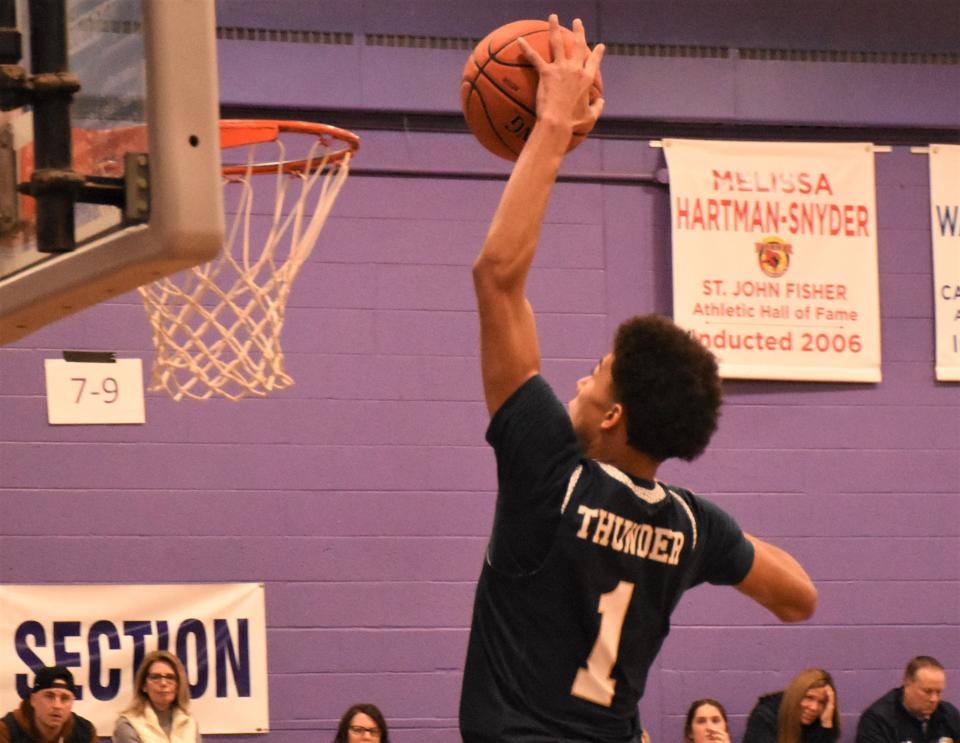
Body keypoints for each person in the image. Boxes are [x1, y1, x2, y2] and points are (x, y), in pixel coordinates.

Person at [458, 12, 817, 742]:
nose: (577, 385)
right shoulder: (689, 524)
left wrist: (551, 125)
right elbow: (798, 597)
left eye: (594, 375)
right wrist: (715, 546)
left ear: (615, 415)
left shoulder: (550, 475)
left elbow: (498, 278)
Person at [856, 656, 960, 743]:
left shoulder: (949, 715)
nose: (934, 699)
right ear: (907, 684)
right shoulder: (877, 720)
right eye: (927, 691)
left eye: (938, 692)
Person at [112, 650, 200, 743]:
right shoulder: (128, 724)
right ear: (144, 685)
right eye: (155, 677)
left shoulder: (190, 724)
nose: (163, 683)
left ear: (178, 685)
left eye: (170, 677)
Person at [1, 666, 97, 743]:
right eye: (49, 696)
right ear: (33, 700)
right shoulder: (7, 730)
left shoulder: (85, 732)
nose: (57, 705)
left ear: (72, 702)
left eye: (64, 698)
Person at [742, 668, 839, 743]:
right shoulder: (765, 717)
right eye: (809, 697)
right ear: (796, 695)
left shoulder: (819, 724)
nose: (814, 707)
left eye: (822, 702)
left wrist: (826, 724)